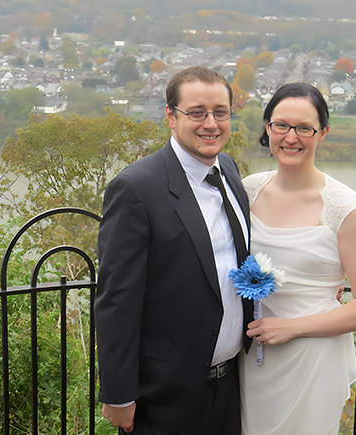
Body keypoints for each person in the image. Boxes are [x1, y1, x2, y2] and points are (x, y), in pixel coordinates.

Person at [95, 66, 253, 435]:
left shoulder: (228, 169)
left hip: (230, 384)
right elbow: (117, 298)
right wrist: (118, 395)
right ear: (171, 116)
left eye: (220, 112)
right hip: (164, 393)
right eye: (196, 112)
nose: (210, 123)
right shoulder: (136, 188)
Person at [238, 83, 356, 435]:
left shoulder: (344, 207)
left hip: (314, 358)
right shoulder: (246, 191)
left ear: (322, 132)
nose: (291, 137)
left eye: (304, 128)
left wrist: (293, 327)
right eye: (281, 125)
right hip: (251, 357)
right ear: (267, 127)